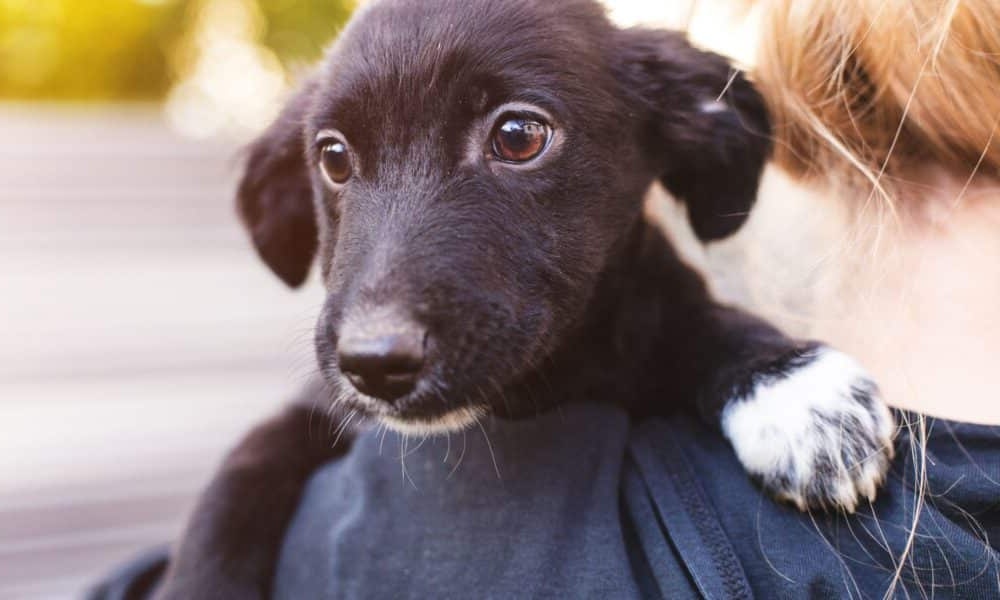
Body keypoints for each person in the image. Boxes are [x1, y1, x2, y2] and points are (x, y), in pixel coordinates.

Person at [89, 0, 1000, 597]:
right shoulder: (323, 424)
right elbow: (268, 461)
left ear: (670, 134)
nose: (378, 325)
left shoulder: (677, 328)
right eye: (340, 161)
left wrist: (757, 367)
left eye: (517, 136)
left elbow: (680, 334)